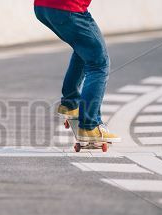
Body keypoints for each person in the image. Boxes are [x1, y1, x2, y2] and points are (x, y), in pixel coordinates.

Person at [34, 0, 121, 143]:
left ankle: (70, 103)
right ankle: (89, 126)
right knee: (99, 64)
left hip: (43, 7)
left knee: (84, 49)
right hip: (69, 8)